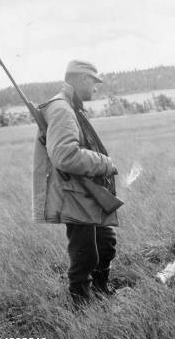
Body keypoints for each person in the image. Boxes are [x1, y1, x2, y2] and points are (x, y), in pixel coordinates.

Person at [32, 60, 119, 306]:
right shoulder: (62, 109)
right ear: (82, 79)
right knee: (85, 254)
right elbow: (65, 156)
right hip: (73, 193)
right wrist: (105, 163)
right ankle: (82, 306)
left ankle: (102, 293)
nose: (96, 87)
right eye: (93, 81)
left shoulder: (71, 107)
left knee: (106, 243)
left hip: (84, 190)